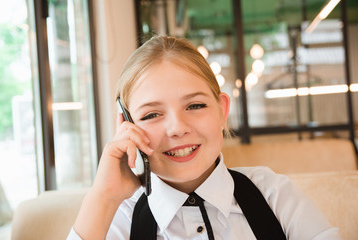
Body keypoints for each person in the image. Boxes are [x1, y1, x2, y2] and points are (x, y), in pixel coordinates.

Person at [67, 35, 341, 240]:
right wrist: (103, 197)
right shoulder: (120, 218)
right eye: (152, 115)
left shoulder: (272, 194)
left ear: (222, 111)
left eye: (195, 106)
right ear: (127, 126)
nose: (177, 128)